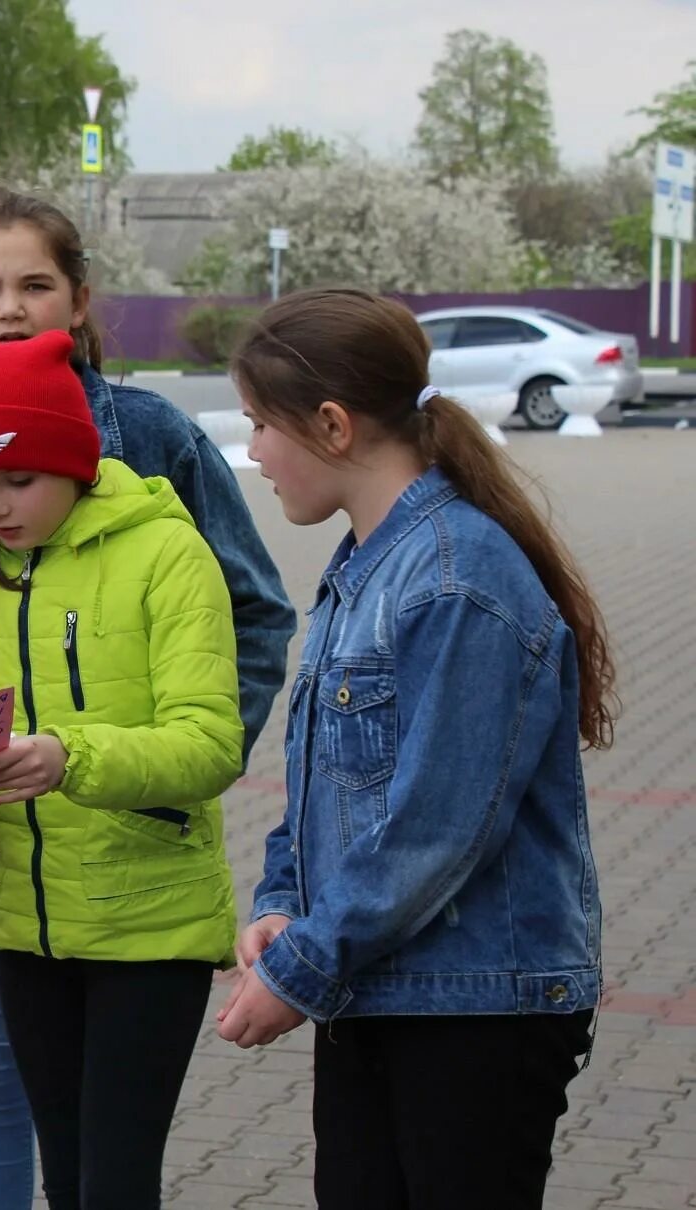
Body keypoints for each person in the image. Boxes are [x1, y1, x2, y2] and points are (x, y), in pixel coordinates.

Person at [0, 184, 297, 1209]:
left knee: (111, 1168)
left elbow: (245, 630)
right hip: (4, 845)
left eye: (34, 283)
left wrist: (152, 772)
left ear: (80, 295)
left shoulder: (150, 459)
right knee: (0, 1077)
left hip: (135, 850)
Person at [216, 288, 614, 1209]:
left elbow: (433, 828)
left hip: (472, 1008)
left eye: (259, 425)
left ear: (330, 424)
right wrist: (283, 903)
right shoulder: (366, 566)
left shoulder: (453, 580)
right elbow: (324, 787)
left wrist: (300, 967)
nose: (253, 454)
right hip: (380, 989)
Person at [0, 329, 244, 1209]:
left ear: (76, 464)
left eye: (17, 480)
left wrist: (69, 757)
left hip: (148, 926)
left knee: (114, 1185)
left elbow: (210, 743)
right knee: (64, 1181)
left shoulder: (166, 553)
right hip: (23, 925)